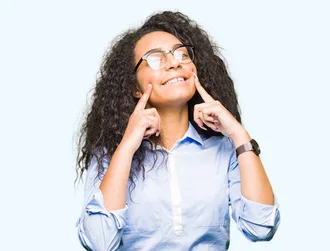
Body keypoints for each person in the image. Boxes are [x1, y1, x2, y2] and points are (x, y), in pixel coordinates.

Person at [75, 11, 280, 250]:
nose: (174, 62)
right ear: (134, 88)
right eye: (155, 58)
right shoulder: (112, 155)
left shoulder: (224, 149)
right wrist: (126, 148)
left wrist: (239, 135)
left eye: (182, 54)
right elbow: (99, 242)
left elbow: (261, 227)